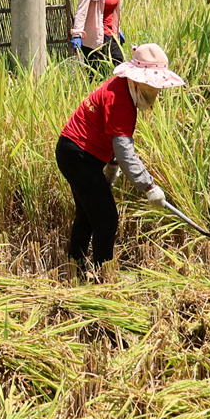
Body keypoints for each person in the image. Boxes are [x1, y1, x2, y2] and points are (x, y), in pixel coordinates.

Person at [54, 45, 186, 277]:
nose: (155, 91)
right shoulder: (121, 100)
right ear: (138, 79)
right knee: (107, 218)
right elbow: (125, 151)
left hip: (76, 153)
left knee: (88, 214)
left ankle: (74, 269)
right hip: (78, 155)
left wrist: (111, 168)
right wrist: (149, 186)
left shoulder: (123, 90)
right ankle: (103, 275)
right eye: (152, 85)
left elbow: (111, 139)